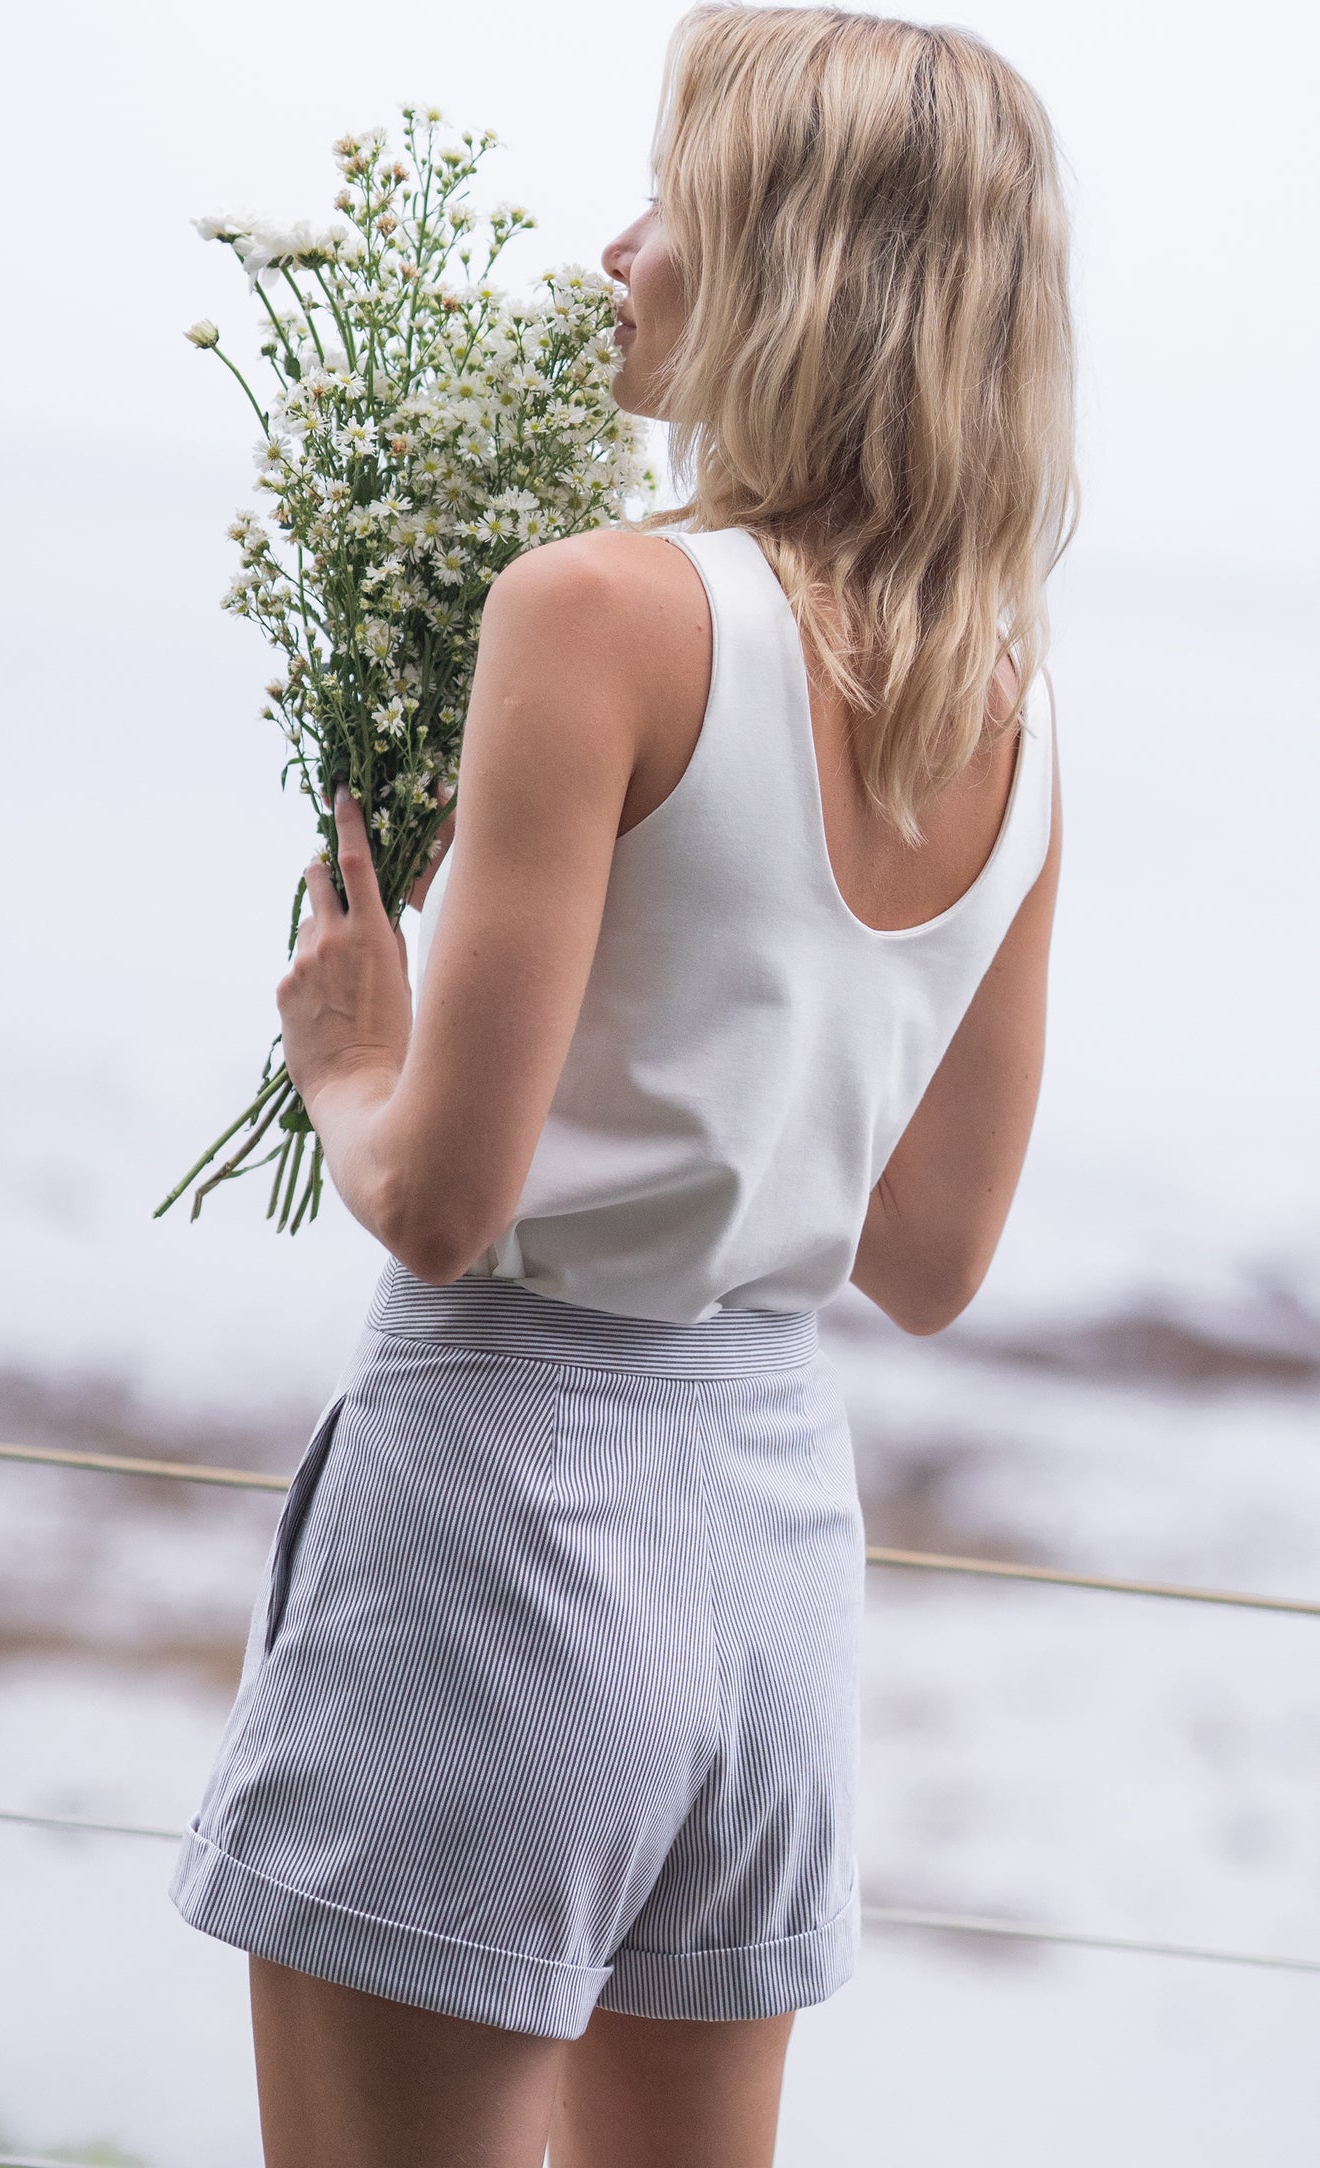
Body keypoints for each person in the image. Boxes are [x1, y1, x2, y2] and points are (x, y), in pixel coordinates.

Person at [169, 5, 1074, 2162]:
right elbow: (934, 1260)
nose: (614, 250)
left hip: (507, 1509)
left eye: (673, 199)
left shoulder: (598, 611)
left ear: (788, 267)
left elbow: (439, 1202)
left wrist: (349, 1056)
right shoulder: (1009, 709)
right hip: (773, 1541)